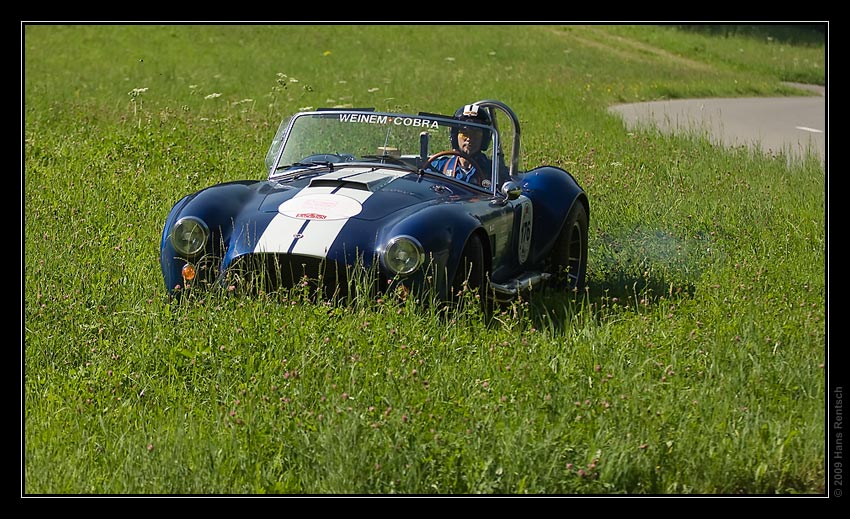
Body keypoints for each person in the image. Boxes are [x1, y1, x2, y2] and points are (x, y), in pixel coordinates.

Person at [431, 103, 503, 189]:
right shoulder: (440, 166)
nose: (469, 138)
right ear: (455, 136)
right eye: (464, 133)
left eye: (475, 133)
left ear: (484, 138)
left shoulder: (494, 170)